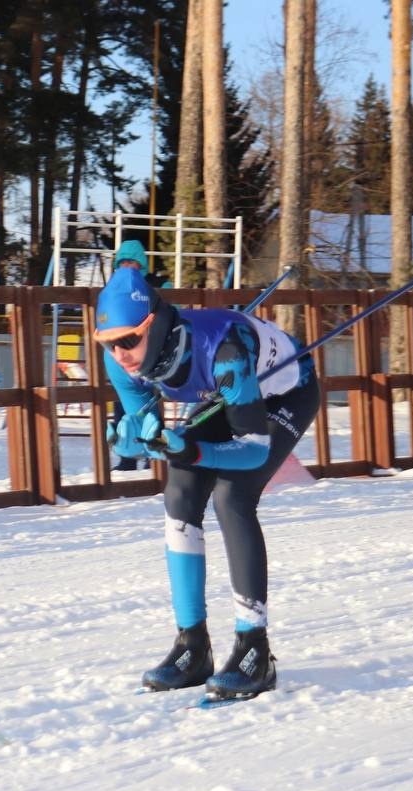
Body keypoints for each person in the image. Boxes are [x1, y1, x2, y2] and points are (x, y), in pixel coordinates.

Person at [94, 267, 320, 700]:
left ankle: (254, 649)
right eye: (108, 343)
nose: (119, 354)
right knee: (178, 493)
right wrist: (131, 439)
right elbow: (144, 424)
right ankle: (192, 645)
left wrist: (191, 451)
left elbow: (253, 449)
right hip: (229, 396)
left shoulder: (225, 352)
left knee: (233, 496)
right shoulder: (121, 359)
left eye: (128, 340)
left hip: (283, 394)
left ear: (154, 325)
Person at [108, 240, 163, 471]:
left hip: (149, 354)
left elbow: (170, 309)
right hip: (122, 357)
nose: (128, 267)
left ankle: (152, 452)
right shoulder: (113, 288)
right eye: (124, 263)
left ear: (142, 266)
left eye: (133, 263)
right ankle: (127, 456)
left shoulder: (153, 286)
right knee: (122, 405)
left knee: (151, 402)